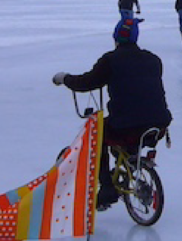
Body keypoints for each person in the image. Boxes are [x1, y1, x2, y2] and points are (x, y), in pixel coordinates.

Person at [53, 17, 172, 209]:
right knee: (127, 130)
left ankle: (107, 187)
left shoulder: (110, 60)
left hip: (127, 124)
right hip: (159, 123)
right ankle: (130, 164)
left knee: (97, 135)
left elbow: (86, 83)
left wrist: (65, 78)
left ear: (116, 37)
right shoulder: (153, 59)